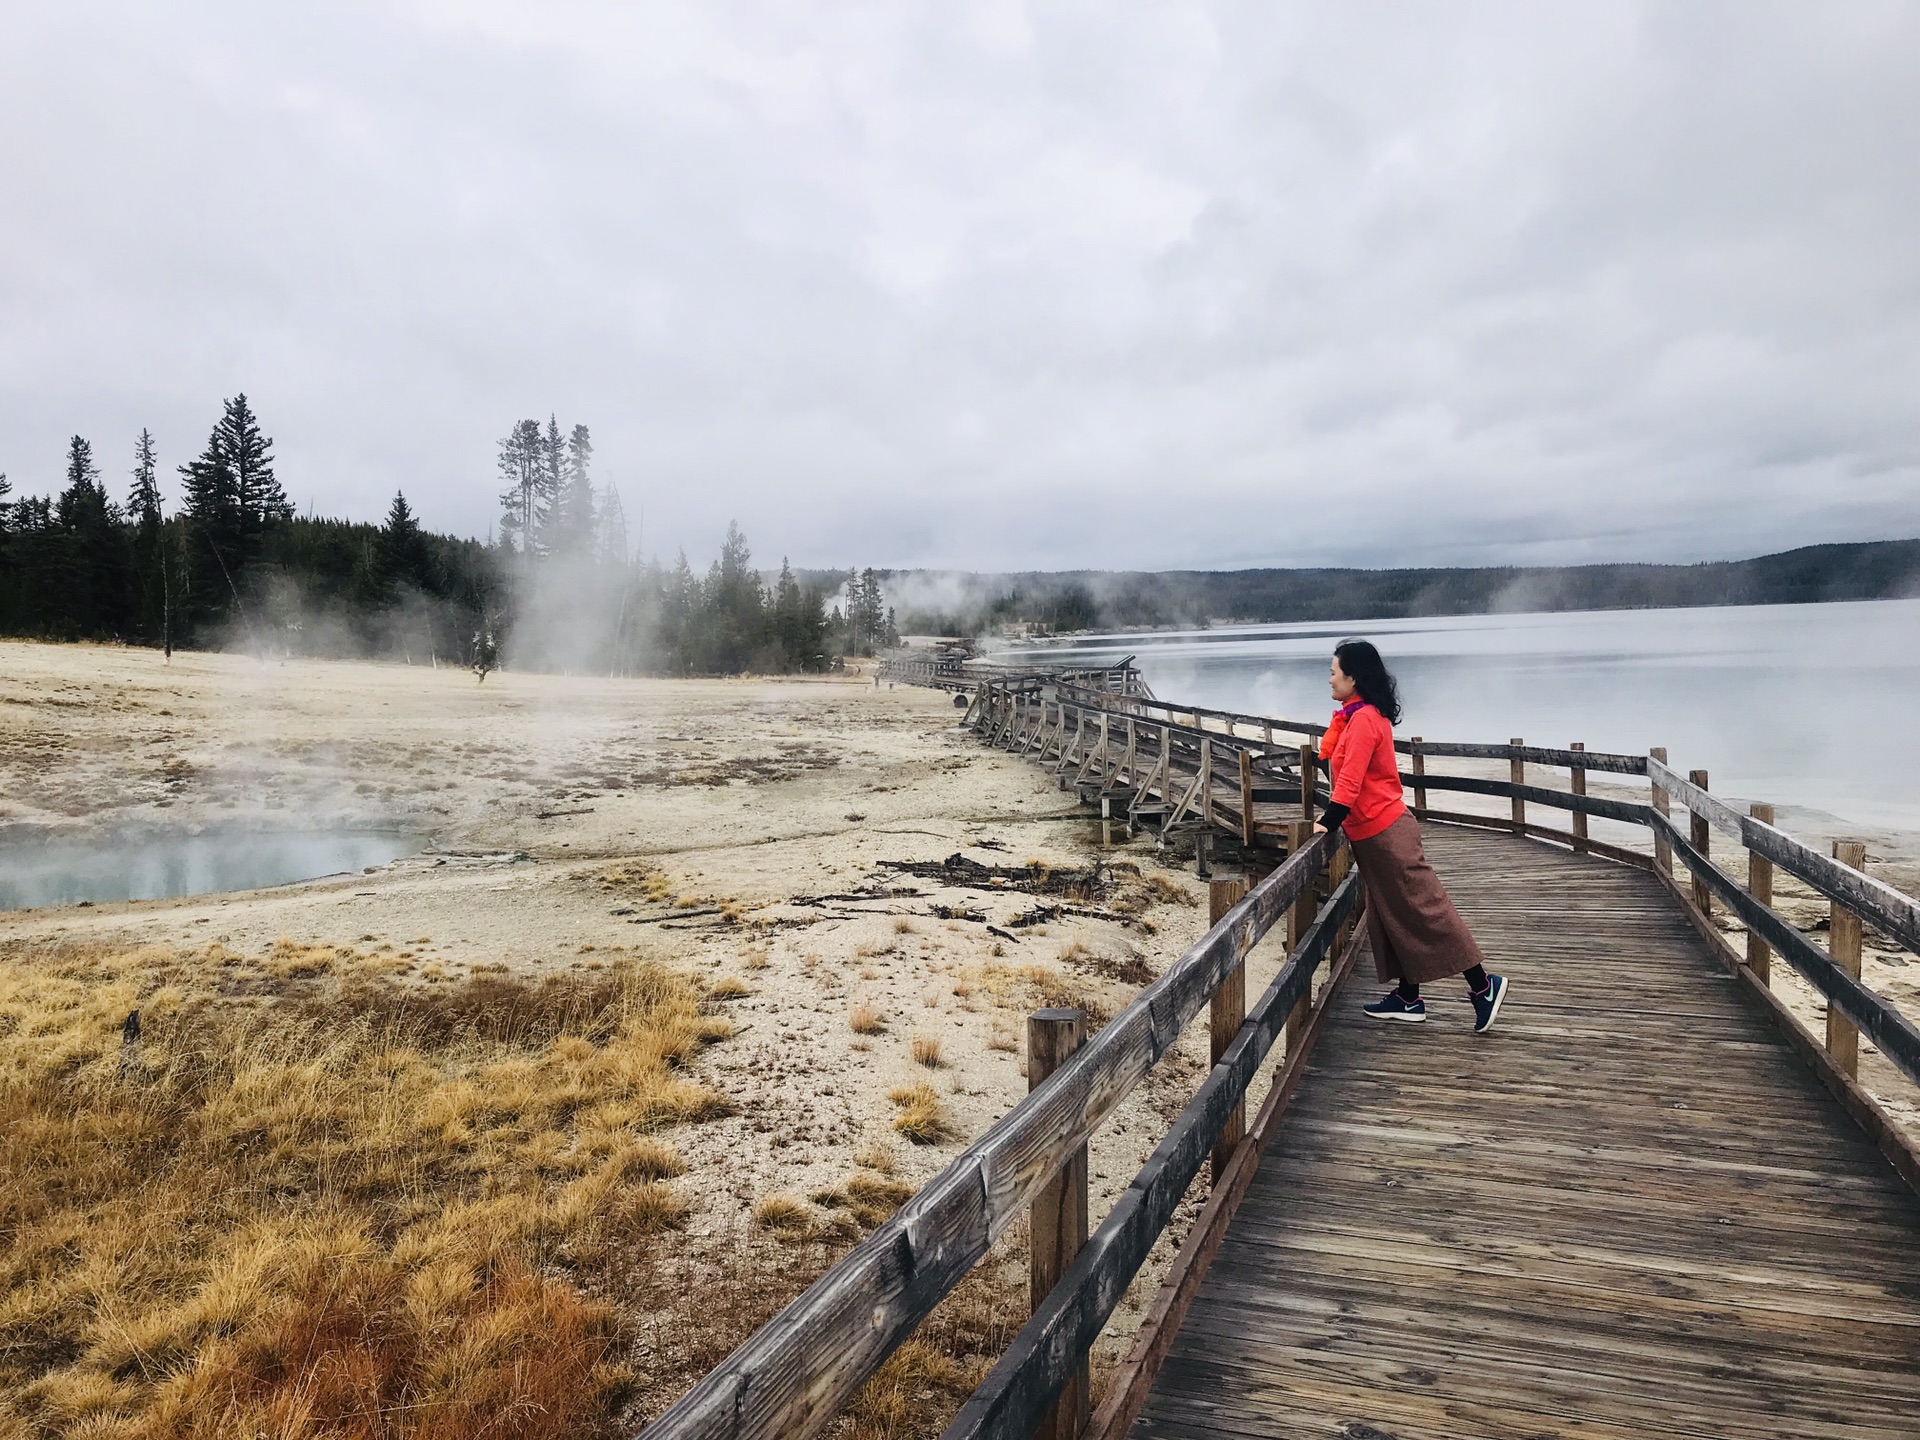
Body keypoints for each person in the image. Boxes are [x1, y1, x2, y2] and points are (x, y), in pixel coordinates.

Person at [1311, 639, 1509, 1032]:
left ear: (1353, 677)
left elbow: (1350, 779)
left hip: (1386, 832)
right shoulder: (1354, 717)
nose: (1329, 680)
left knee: (1424, 908)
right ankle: (1408, 996)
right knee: (1391, 912)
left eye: (1334, 673)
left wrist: (1329, 820)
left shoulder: (1365, 719)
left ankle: (1483, 985)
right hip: (1373, 833)